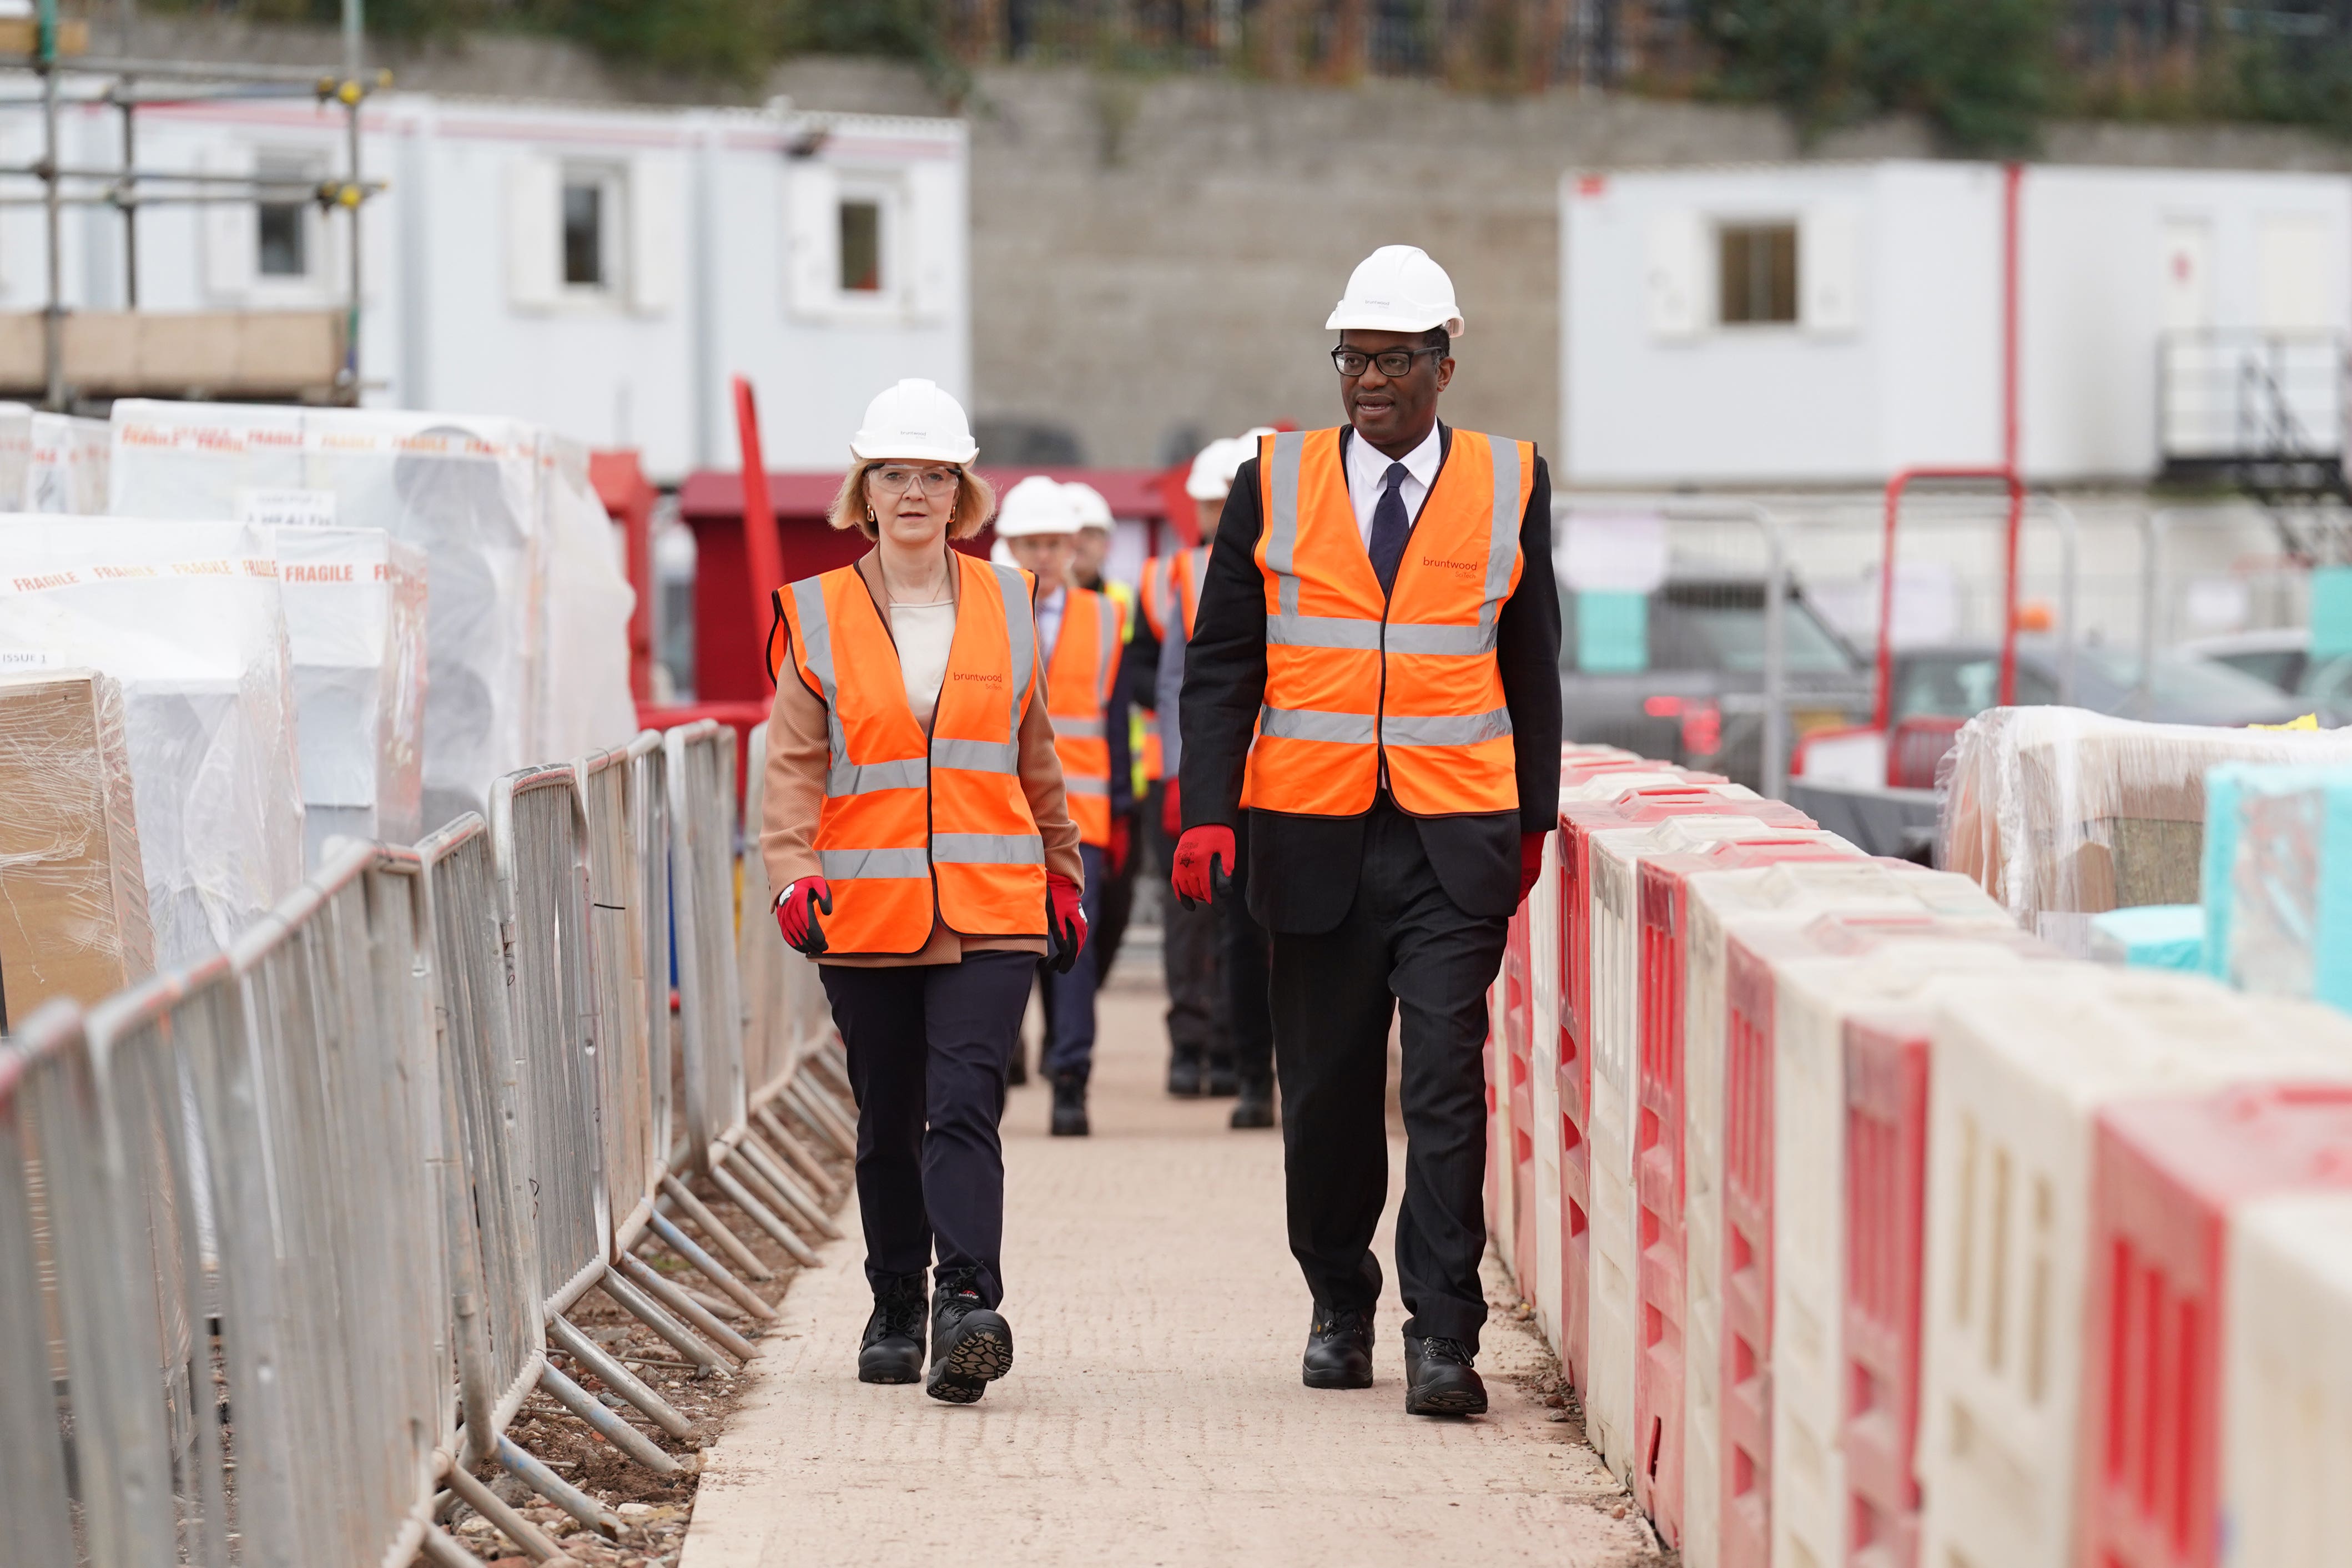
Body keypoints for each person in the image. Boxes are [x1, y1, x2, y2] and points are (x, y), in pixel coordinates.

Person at [1174, 247, 1563, 1417]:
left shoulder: (1512, 480)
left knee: (1445, 1077)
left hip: (1455, 839)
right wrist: (1204, 810)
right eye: (1354, 357)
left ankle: (1444, 1332)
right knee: (1331, 1090)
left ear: (1446, 362)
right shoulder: (1272, 481)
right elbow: (1222, 661)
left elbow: (1529, 663)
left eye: (1395, 358)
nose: (1370, 381)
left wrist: (1533, 816)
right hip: (1309, 831)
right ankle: (1339, 1299)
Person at [760, 378, 1089, 1405]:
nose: (914, 492)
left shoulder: (1005, 601)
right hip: (865, 909)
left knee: (964, 1106)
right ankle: (895, 1294)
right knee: (889, 1115)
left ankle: (966, 1306)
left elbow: (1035, 757)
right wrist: (790, 877)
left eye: (934, 475)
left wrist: (1065, 876)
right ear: (865, 492)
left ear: (961, 493)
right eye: (896, 474)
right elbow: (793, 769)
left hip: (993, 902)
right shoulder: (813, 614)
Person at [993, 475, 1131, 1137]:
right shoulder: (983, 615)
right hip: (995, 816)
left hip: (1082, 818)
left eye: (1053, 543)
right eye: (1030, 543)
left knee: (1071, 954)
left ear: (1074, 547)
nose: (1043, 555)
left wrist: (1125, 807)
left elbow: (1113, 717)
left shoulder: (1106, 617)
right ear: (1008, 545)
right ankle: (997, 1064)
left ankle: (1069, 1079)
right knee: (996, 953)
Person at [1065, 480, 1146, 988]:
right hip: (1055, 792)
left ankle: (1076, 1005)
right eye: (1073, 534)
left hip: (1122, 784)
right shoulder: (1031, 602)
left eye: (1092, 533)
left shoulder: (1124, 603)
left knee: (1112, 912)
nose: (1081, 545)